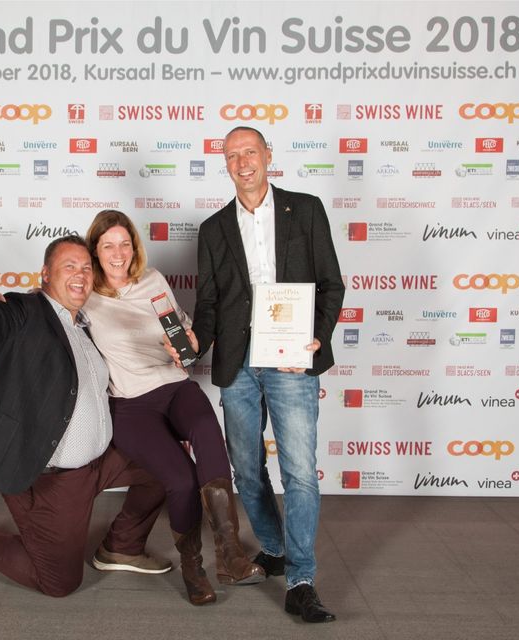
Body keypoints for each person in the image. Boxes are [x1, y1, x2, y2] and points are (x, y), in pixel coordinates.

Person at [0, 235, 171, 597]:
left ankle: (121, 546)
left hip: (100, 461)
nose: (80, 274)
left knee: (168, 465)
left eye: (86, 268)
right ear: (45, 274)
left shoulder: (86, 324)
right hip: (52, 478)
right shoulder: (23, 312)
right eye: (69, 266)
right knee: (59, 583)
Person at [174, 127, 344, 622]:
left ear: (268, 155)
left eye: (250, 152)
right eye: (232, 155)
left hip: (292, 358)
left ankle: (301, 580)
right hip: (238, 362)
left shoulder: (305, 209)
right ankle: (273, 546)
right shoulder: (213, 228)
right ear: (225, 164)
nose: (242, 162)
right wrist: (193, 345)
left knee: (298, 472)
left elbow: (331, 284)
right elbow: (208, 305)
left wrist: (317, 339)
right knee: (247, 471)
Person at [79, 209, 263, 605]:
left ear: (134, 247)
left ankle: (230, 554)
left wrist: (189, 347)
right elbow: (42, 306)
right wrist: (4, 301)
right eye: (108, 246)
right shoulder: (85, 294)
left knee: (208, 431)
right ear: (95, 251)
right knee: (181, 479)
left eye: (124, 244)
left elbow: (182, 330)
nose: (118, 253)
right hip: (131, 403)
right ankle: (193, 567)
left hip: (175, 385)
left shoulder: (153, 279)